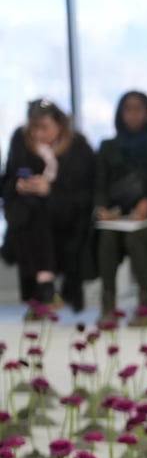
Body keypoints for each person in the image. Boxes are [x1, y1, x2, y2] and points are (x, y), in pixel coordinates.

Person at [0, 98, 96, 317]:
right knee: (31, 213)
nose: (38, 134)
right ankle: (45, 287)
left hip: (68, 221)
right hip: (27, 218)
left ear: (59, 125)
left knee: (37, 213)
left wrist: (51, 190)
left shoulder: (78, 147)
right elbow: (6, 181)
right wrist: (18, 185)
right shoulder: (20, 141)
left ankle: (43, 291)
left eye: (44, 128)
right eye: (33, 128)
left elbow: (85, 195)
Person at [93, 90, 147, 326]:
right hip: (117, 219)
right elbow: (99, 187)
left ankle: (146, 306)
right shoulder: (108, 148)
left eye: (138, 109)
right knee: (107, 236)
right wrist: (102, 209)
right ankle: (108, 306)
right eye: (127, 109)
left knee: (136, 239)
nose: (132, 115)